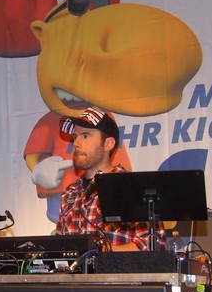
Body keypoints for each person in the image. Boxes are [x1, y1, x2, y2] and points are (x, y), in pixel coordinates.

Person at [56, 106, 164, 251]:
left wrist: (100, 253)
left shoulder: (131, 186)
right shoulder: (70, 192)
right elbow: (58, 247)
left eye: (85, 136)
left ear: (108, 144)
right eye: (75, 137)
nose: (76, 143)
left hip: (117, 267)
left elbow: (152, 243)